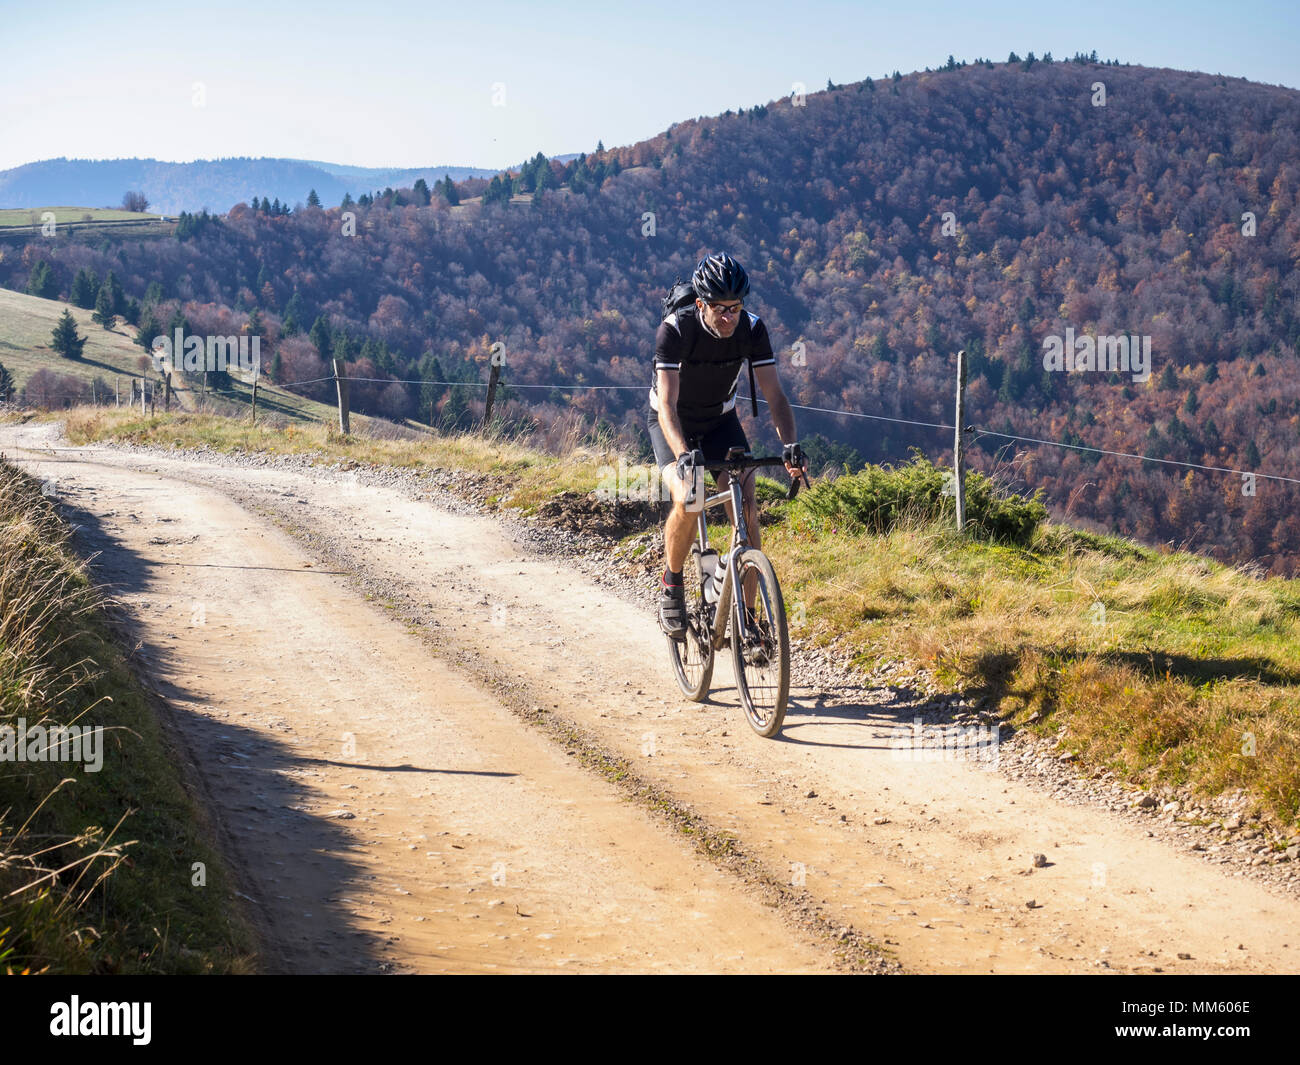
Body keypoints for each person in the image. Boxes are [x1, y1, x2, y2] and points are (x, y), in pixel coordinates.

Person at [648, 252, 807, 638]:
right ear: (700, 304)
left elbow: (776, 396)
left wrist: (790, 447)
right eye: (720, 309)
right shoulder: (676, 329)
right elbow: (667, 406)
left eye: (735, 308)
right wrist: (684, 456)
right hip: (673, 423)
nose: (729, 317)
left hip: (721, 420)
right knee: (690, 497)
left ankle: (749, 624)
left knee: (747, 510)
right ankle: (672, 585)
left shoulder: (752, 330)